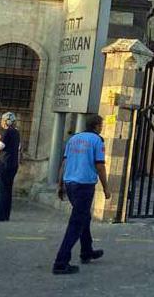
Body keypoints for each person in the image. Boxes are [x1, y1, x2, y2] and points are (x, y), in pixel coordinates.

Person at [51, 114, 110, 275]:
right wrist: (106, 188)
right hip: (84, 185)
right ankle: (61, 262)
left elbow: (64, 162)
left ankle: (86, 251)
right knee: (76, 223)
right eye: (101, 125)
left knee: (84, 218)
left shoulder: (73, 139)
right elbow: (100, 166)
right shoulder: (97, 141)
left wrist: (60, 184)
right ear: (97, 125)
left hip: (70, 183)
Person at [0, 112, 20, 222]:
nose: (1, 122)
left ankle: (0, 214)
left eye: (3, 120)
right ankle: (6, 214)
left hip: (5, 163)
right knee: (8, 190)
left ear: (7, 121)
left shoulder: (7, 132)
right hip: (13, 164)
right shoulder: (16, 132)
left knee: (2, 189)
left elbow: (1, 147)